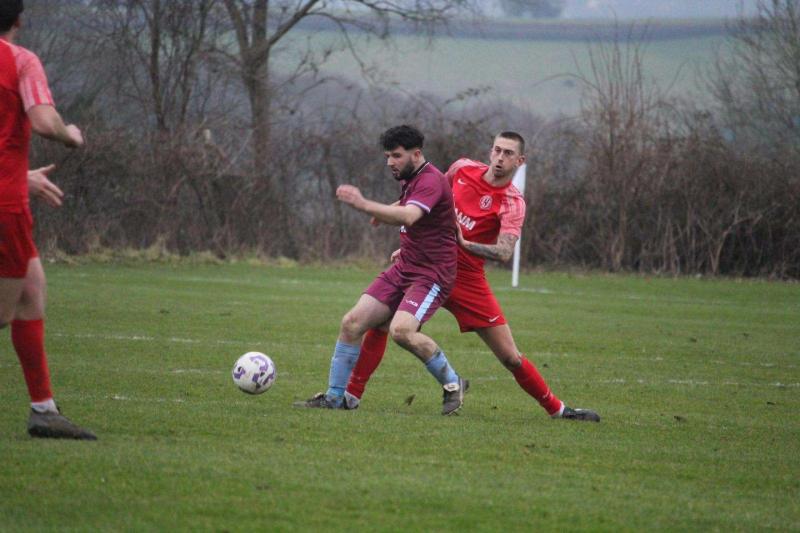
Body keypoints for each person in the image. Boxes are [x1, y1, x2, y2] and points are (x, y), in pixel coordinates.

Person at [343, 132, 600, 422]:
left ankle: (558, 410)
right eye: (497, 150)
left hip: (467, 280)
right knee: (380, 323)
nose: (500, 158)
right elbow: (426, 195)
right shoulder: (461, 169)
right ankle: (349, 397)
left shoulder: (513, 202)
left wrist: (465, 245)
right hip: (429, 268)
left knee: (510, 357)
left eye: (508, 154)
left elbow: (504, 251)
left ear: (520, 160)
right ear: (490, 151)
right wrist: (400, 229)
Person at [296, 125, 468, 415]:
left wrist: (365, 205)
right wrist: (385, 211)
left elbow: (411, 215)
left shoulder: (430, 180)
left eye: (397, 156)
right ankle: (336, 397)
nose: (390, 162)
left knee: (401, 331)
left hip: (431, 276)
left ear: (417, 154)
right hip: (405, 268)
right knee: (351, 322)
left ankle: (453, 383)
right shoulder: (411, 177)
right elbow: (411, 204)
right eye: (388, 156)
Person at [1, 1, 96, 439]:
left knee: (32, 288)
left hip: (10, 190)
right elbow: (42, 121)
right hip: (5, 208)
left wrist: (21, 175)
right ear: (19, 19)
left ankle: (43, 409)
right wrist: (69, 135)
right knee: (3, 311)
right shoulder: (20, 60)